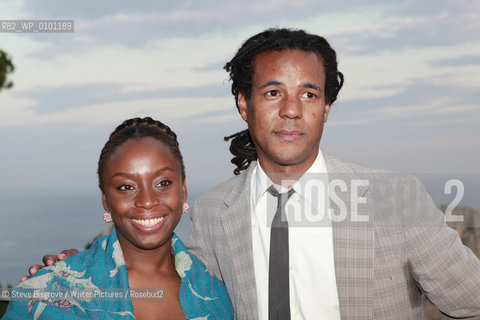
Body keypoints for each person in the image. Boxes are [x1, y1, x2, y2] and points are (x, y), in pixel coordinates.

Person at [24, 28, 480, 319]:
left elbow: (471, 301)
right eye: (272, 92)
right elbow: (153, 264)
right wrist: (71, 271)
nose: (290, 111)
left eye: (308, 94)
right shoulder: (209, 216)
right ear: (244, 103)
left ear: (326, 107)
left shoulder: (393, 198)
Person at [4, 117, 233, 319]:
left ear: (182, 190)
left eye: (163, 183)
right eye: (126, 186)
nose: (147, 200)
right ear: (106, 200)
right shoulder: (49, 295)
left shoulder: (220, 290)